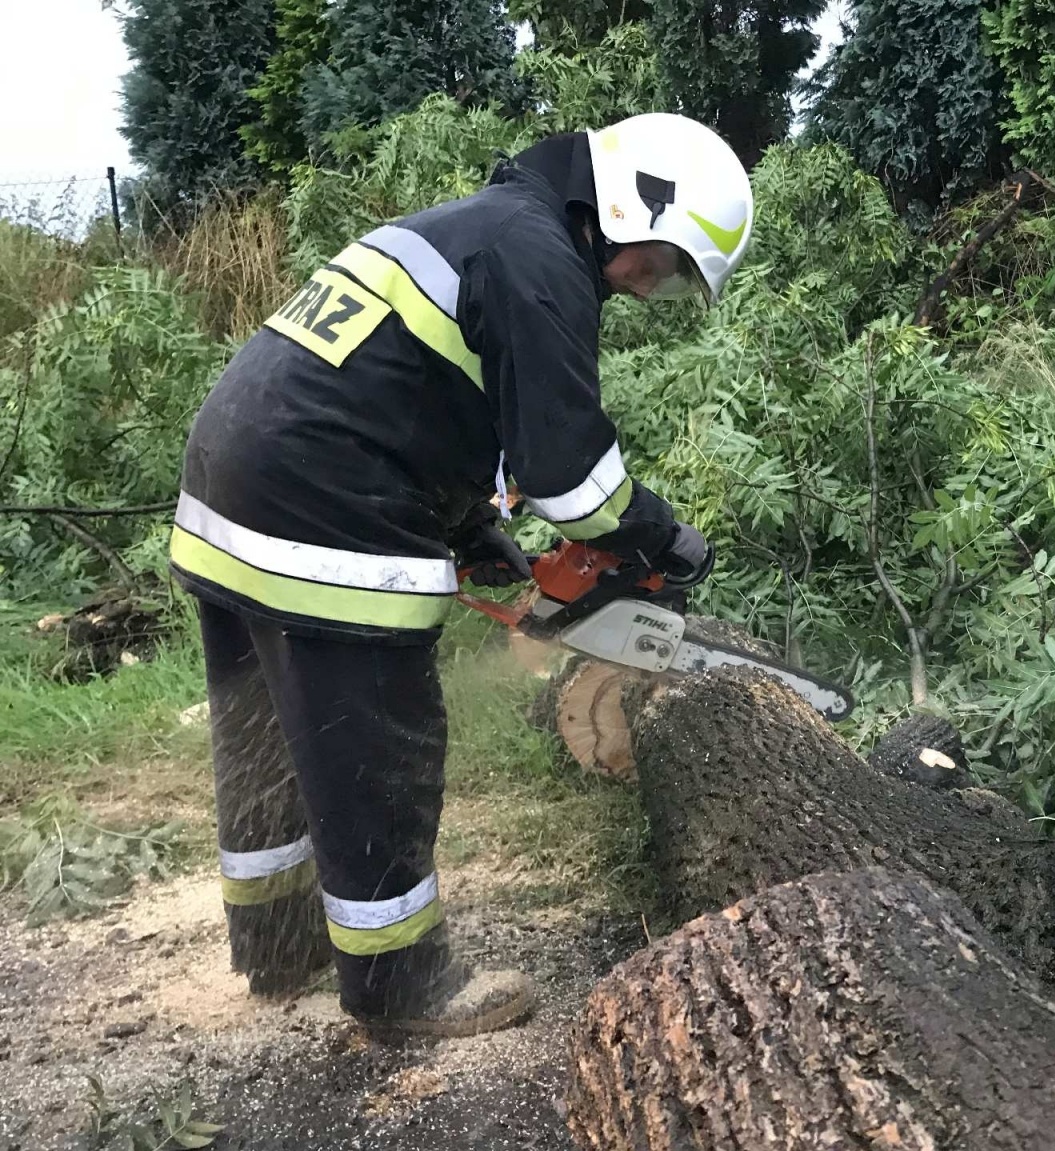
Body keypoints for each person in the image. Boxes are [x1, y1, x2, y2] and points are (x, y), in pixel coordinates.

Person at [168, 114, 754, 1037]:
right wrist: (662, 539)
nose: (651, 285)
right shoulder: (537, 259)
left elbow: (406, 390)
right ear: (632, 201)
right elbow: (571, 478)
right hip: (324, 501)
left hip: (233, 479)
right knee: (380, 742)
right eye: (666, 260)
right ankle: (402, 990)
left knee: (271, 732)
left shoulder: (484, 227)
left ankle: (279, 950)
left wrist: (475, 527)